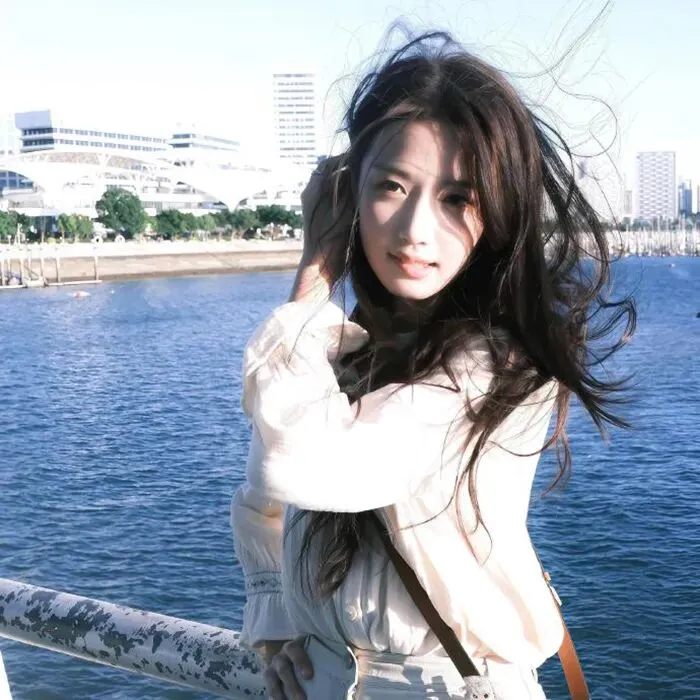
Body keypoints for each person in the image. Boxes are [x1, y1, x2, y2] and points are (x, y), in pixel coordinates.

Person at [231, 30, 634, 700]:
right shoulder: (342, 348)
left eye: (457, 198)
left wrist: (313, 272)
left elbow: (301, 461)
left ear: (497, 212)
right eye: (392, 185)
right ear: (349, 194)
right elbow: (261, 501)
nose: (416, 229)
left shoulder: (495, 365)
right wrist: (280, 629)